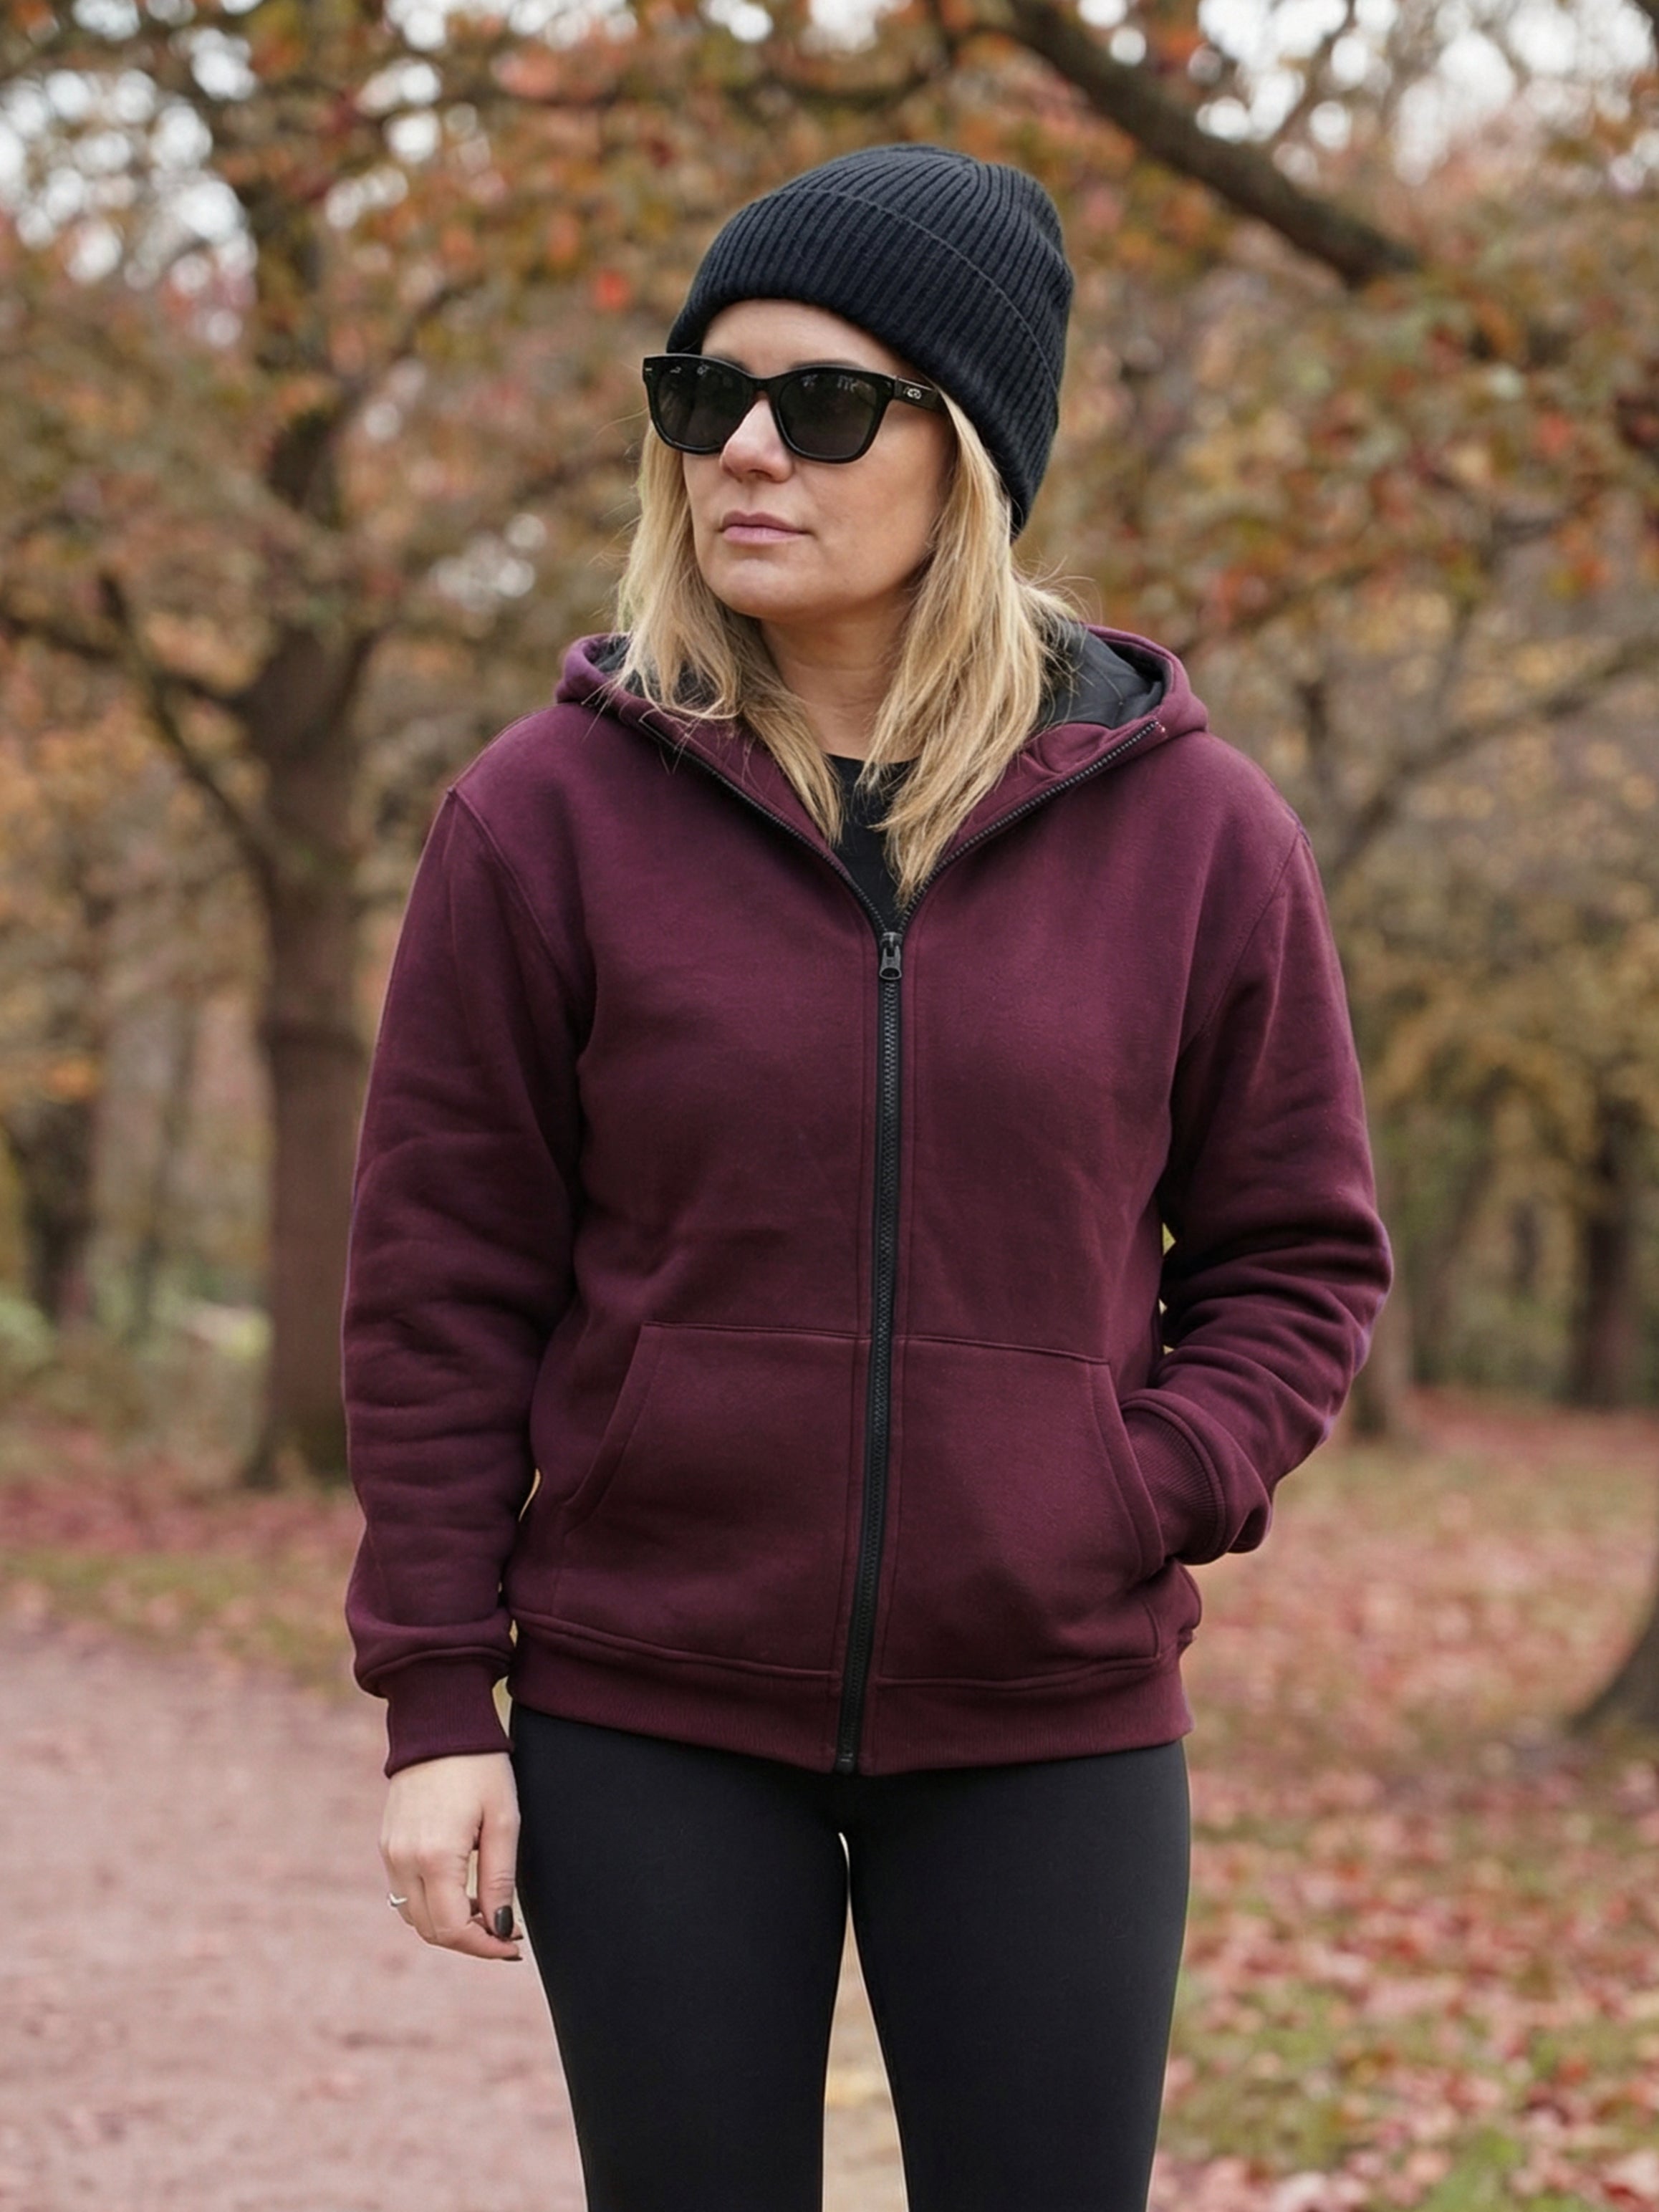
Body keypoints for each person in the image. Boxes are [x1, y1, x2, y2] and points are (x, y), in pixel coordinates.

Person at [342, 143, 1392, 2212]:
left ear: (968, 455)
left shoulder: (1197, 834)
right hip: (650, 1709)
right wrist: (438, 1700)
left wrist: (1135, 1482)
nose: (743, 449)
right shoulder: (542, 819)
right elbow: (441, 1281)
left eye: (823, 404)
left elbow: (1297, 1253)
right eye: (701, 394)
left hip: (1051, 1718)